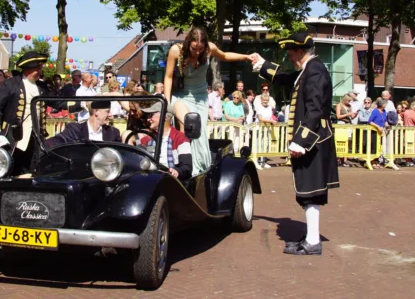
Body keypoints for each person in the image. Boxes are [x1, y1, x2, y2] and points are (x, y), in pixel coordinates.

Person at [251, 31, 339, 256]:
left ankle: (312, 242)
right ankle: (311, 238)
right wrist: (262, 64)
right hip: (313, 141)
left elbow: (315, 109)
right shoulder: (308, 70)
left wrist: (301, 141)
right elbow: (286, 77)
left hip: (313, 141)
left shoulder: (315, 71)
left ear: (301, 51)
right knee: (309, 192)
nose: (289, 55)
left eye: (291, 51)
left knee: (310, 191)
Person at [163, 27, 253, 175]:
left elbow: (224, 55)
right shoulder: (176, 50)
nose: (197, 52)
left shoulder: (209, 48)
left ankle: (194, 168)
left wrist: (246, 57)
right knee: (190, 123)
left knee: (196, 132)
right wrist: (166, 101)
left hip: (200, 98)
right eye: (193, 48)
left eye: (200, 48)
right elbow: (168, 77)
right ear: (187, 44)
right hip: (181, 95)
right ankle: (181, 163)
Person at [0, 52, 51, 175]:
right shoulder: (11, 84)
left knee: (32, 170)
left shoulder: (42, 86)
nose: (40, 72)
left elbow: (56, 102)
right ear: (28, 69)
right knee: (10, 168)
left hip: (35, 137)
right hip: (14, 137)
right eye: (37, 69)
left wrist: (82, 104)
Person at [137, 103, 193, 180]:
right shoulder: (147, 139)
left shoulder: (180, 138)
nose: (148, 119)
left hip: (171, 181)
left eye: (151, 115)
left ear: (164, 117)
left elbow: (187, 167)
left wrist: (177, 171)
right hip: (149, 179)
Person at [45, 100, 121, 147]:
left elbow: (121, 155)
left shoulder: (113, 133)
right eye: (107, 111)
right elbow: (54, 142)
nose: (110, 115)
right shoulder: (74, 130)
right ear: (96, 111)